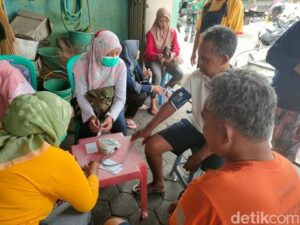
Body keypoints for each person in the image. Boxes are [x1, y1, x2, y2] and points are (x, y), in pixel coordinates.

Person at [169, 69, 300, 225]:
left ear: (225, 133)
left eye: (205, 120)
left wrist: (194, 206)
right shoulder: (290, 170)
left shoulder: (207, 192)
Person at [131, 25, 237, 193]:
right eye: (199, 57)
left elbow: (227, 136)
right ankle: (159, 184)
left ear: (224, 60)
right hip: (194, 126)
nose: (199, 63)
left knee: (211, 185)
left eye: (205, 59)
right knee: (152, 147)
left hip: (219, 142)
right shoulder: (197, 76)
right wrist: (148, 128)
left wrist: (199, 156)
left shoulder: (236, 88)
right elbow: (175, 102)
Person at [0, 92, 99, 225]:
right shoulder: (55, 159)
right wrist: (93, 175)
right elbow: (87, 203)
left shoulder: (4, 139)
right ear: (50, 123)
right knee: (82, 213)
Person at [73, 30, 127, 138]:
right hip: (89, 102)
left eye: (116, 53)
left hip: (109, 101)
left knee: (121, 130)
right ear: (98, 51)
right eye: (109, 54)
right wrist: (91, 116)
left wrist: (111, 117)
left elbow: (120, 98)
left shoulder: (120, 66)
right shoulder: (82, 65)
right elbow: (81, 95)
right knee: (87, 135)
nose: (114, 57)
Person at [266, 20, 300, 162]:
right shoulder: (298, 28)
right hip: (282, 101)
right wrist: (295, 66)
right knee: (277, 153)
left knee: (286, 156)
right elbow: (272, 54)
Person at [144, 7, 184, 115]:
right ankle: (153, 102)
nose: (164, 23)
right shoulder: (151, 33)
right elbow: (147, 52)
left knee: (179, 74)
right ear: (157, 20)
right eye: (161, 21)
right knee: (157, 75)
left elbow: (176, 47)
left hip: (166, 59)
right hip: (153, 59)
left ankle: (166, 88)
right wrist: (157, 56)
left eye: (166, 20)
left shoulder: (172, 32)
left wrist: (172, 54)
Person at [120, 40, 163, 129]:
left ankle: (136, 104)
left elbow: (140, 75)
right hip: (122, 94)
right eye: (137, 49)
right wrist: (152, 87)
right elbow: (134, 86)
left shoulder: (133, 61)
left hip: (130, 90)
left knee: (147, 85)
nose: (139, 51)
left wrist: (145, 73)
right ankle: (128, 117)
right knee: (142, 94)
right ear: (131, 50)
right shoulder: (124, 67)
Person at [190, 0, 244, 66]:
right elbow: (199, 31)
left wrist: (222, 62)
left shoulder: (235, 3)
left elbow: (232, 37)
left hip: (217, 60)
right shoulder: (208, 4)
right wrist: (194, 52)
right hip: (202, 56)